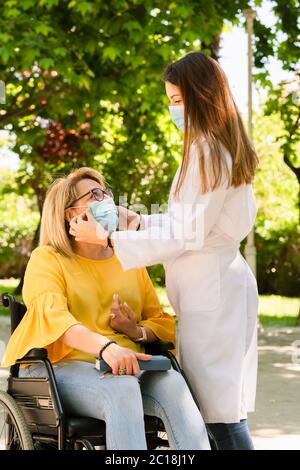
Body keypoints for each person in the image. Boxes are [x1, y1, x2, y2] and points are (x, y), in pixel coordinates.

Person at [69, 52, 259, 450]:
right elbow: (189, 225)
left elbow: (185, 234)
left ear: (200, 97)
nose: (173, 110)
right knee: (221, 413)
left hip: (213, 292)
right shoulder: (221, 147)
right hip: (217, 286)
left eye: (177, 101)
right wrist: (135, 222)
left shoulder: (205, 151)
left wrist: (107, 239)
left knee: (219, 417)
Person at [1, 167, 210, 450]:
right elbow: (54, 318)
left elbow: (160, 319)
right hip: (57, 367)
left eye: (106, 193)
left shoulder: (127, 258)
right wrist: (107, 348)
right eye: (95, 195)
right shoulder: (48, 259)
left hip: (126, 366)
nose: (106, 200)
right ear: (70, 214)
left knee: (173, 384)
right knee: (121, 389)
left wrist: (136, 331)